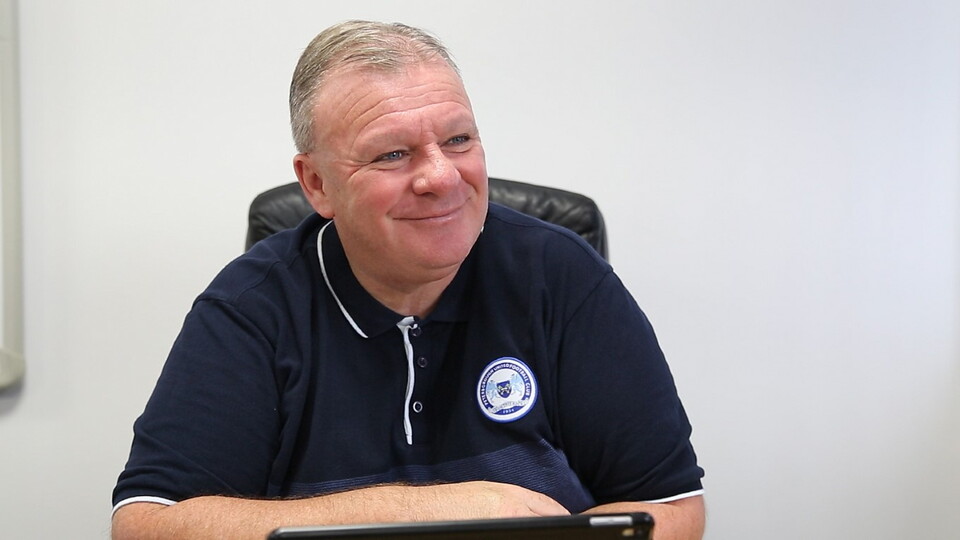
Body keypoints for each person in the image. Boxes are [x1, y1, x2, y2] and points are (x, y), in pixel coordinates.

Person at [111, 20, 705, 540]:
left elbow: (671, 506)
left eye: (458, 140)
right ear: (316, 184)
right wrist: (438, 510)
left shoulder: (562, 275)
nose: (442, 178)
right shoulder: (252, 307)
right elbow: (146, 525)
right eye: (392, 154)